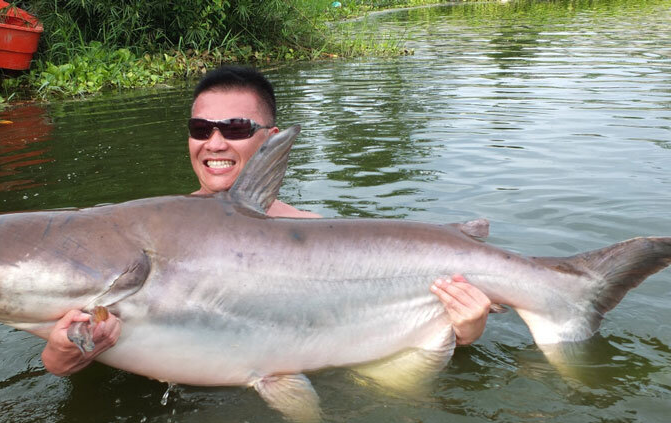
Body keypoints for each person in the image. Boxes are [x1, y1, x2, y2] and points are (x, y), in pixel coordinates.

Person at [41, 66, 491, 377]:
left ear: (270, 140)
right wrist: (61, 359)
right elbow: (63, 347)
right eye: (201, 129)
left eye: (235, 129)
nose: (214, 143)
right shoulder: (131, 237)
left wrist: (465, 330)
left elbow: (390, 319)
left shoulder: (320, 233)